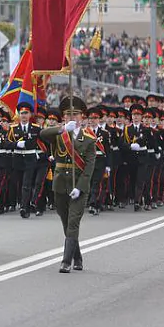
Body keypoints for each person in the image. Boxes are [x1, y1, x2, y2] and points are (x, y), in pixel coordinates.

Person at [40, 96, 96, 273]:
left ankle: (66, 261)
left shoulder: (89, 139)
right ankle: (77, 256)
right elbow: (42, 135)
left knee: (73, 223)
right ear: (63, 117)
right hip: (60, 184)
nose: (72, 117)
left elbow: (89, 168)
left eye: (76, 114)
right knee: (65, 222)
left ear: (82, 117)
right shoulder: (59, 134)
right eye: (68, 114)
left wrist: (79, 187)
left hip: (78, 186)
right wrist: (62, 129)